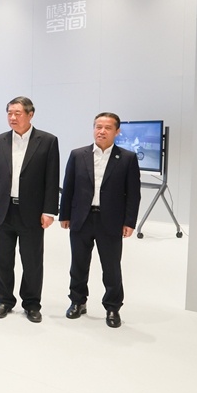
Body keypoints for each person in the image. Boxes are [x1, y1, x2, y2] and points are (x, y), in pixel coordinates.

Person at [59, 112, 141, 328]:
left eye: (107, 128)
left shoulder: (127, 158)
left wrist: (129, 222)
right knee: (78, 264)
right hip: (81, 219)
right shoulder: (78, 155)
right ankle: (77, 301)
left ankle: (112, 307)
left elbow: (133, 194)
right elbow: (68, 187)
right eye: (98, 127)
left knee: (111, 267)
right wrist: (64, 215)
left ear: (117, 131)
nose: (101, 131)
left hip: (111, 221)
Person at [0, 96, 60, 323]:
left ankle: (32, 304)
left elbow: (52, 179)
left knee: (32, 261)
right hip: (4, 210)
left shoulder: (47, 141)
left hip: (32, 212)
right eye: (9, 113)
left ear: (30, 114)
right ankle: (4, 300)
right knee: (3, 260)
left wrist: (49, 211)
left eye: (17, 113)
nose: (13, 118)